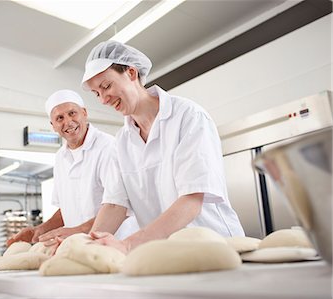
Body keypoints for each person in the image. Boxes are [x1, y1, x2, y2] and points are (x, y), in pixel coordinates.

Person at [81, 40, 245, 254]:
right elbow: (114, 204)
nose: (103, 99)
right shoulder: (122, 140)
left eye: (106, 86)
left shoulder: (188, 117)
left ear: (131, 73)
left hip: (216, 248)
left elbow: (191, 199)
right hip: (167, 254)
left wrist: (128, 244)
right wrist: (85, 248)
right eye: (96, 93)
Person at [7, 89, 138, 248]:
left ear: (84, 113)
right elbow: (66, 209)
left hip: (116, 244)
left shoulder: (108, 147)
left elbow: (120, 207)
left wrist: (78, 231)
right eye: (59, 118)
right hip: (80, 246)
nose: (68, 122)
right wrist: (39, 230)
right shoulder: (61, 157)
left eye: (72, 113)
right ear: (53, 126)